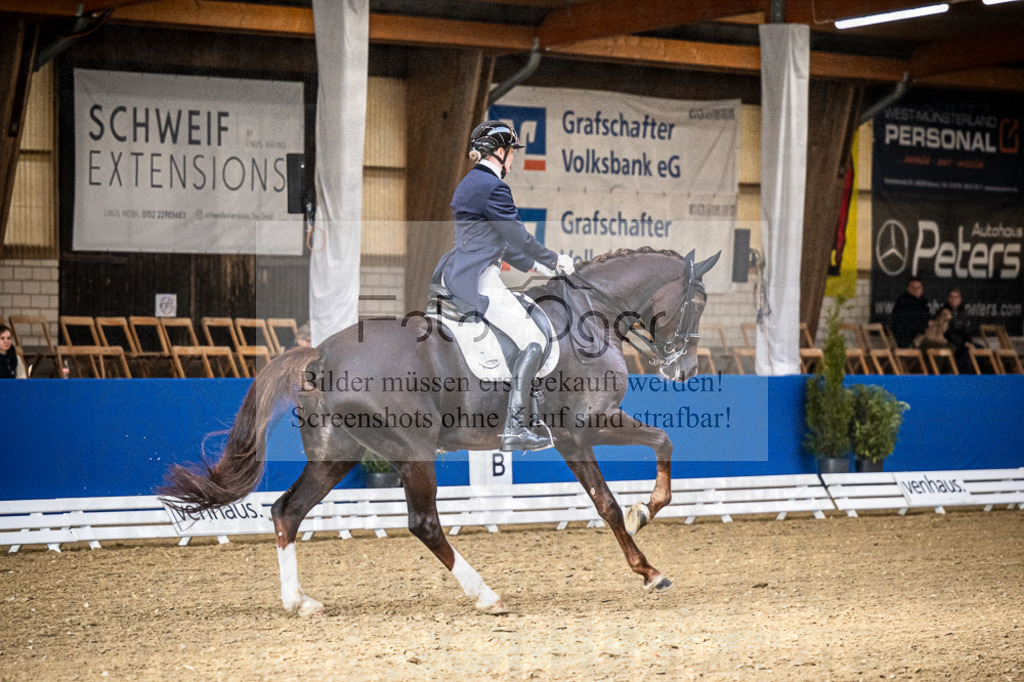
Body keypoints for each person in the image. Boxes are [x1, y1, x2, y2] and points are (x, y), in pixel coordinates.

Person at [432, 120, 574, 452]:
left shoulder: (472, 182)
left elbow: (499, 242)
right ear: (500, 151)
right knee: (534, 340)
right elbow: (517, 235)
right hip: (478, 278)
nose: (513, 161)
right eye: (512, 154)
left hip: (465, 269)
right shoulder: (492, 186)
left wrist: (537, 266)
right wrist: (555, 260)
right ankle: (515, 427)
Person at [940, 287, 976, 373]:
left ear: (960, 299)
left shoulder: (963, 313)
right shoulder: (943, 312)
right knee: (964, 350)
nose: (954, 299)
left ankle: (980, 380)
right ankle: (962, 379)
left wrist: (970, 343)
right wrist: (963, 343)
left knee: (980, 350)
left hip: (963, 342)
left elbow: (967, 331)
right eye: (951, 297)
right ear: (948, 298)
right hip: (950, 342)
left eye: (956, 297)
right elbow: (947, 334)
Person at [890, 277, 930, 348]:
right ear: (908, 289)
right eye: (913, 287)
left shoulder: (923, 302)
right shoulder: (902, 302)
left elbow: (925, 319)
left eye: (918, 287)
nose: (916, 290)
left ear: (922, 289)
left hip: (920, 335)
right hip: (905, 337)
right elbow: (901, 322)